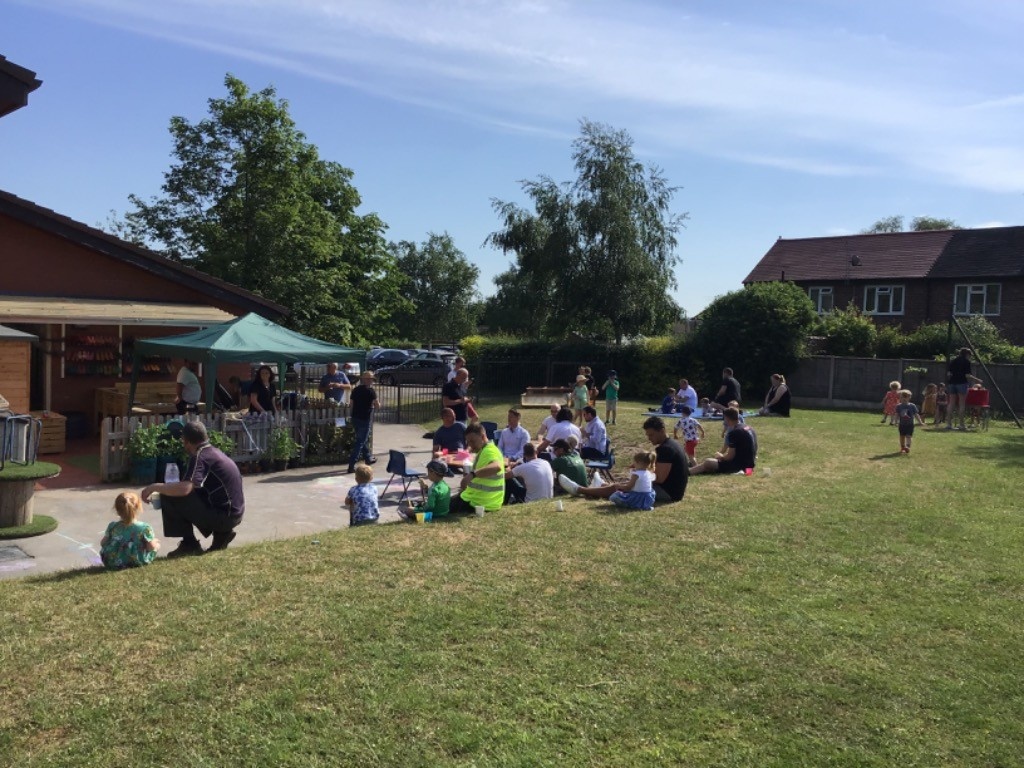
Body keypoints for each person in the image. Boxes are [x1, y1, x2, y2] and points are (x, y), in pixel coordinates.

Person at [141, 421, 245, 557]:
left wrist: (154, 487)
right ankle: (221, 535)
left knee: (169, 495)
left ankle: (190, 544)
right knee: (187, 492)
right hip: (234, 514)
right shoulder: (214, 452)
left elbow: (185, 489)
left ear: (186, 441)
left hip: (224, 517)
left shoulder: (200, 457)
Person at [559, 416, 688, 504]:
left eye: (651, 435)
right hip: (671, 490)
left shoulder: (666, 449)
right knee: (625, 484)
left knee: (618, 488)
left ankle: (580, 489)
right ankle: (601, 485)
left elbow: (659, 479)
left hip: (668, 493)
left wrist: (639, 473)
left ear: (662, 431)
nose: (649, 438)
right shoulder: (671, 445)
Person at [450, 423, 505, 514]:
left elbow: (496, 466)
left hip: (479, 502)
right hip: (484, 501)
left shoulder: (489, 451)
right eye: (468, 442)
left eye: (472, 441)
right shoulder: (484, 449)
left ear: (483, 437)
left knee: (441, 507)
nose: (470, 445)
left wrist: (472, 475)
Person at [100, 491, 160, 569]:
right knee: (156, 545)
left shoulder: (112, 526)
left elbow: (103, 543)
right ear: (138, 507)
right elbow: (150, 547)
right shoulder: (144, 527)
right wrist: (155, 543)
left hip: (113, 561)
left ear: (117, 509)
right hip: (136, 561)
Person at [690, 408, 757, 476]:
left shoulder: (734, 433)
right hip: (749, 467)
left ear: (727, 418)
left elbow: (730, 457)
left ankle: (687, 472)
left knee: (708, 462)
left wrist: (721, 457)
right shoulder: (749, 428)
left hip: (740, 467)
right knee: (709, 465)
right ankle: (689, 471)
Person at [347, 371, 379, 472]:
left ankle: (368, 458)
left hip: (355, 417)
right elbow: (377, 405)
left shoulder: (356, 390)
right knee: (360, 442)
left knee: (361, 439)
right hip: (365, 418)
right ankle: (351, 465)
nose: (371, 381)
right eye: (371, 379)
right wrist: (375, 405)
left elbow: (351, 404)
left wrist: (351, 415)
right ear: (369, 380)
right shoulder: (371, 391)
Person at [946, 347, 983, 430]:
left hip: (952, 383)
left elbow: (949, 374)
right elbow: (967, 375)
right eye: (970, 355)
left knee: (951, 403)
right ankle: (961, 424)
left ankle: (949, 424)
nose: (970, 357)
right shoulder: (966, 362)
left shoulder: (953, 361)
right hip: (962, 383)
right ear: (967, 354)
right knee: (961, 404)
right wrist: (977, 380)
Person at [895, 389, 925, 454]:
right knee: (902, 436)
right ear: (900, 398)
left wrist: (920, 422)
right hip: (902, 424)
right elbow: (897, 414)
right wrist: (896, 422)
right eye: (902, 397)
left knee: (908, 436)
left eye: (905, 397)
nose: (904, 399)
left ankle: (908, 447)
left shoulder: (912, 406)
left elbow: (916, 414)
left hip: (910, 424)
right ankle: (902, 447)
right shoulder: (898, 406)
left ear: (909, 397)